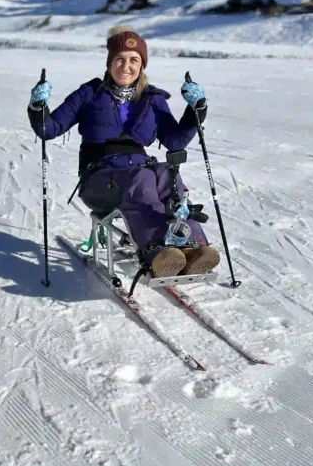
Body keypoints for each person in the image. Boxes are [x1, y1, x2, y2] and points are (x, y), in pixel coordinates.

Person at [28, 26, 220, 278]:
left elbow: (174, 141)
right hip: (99, 180)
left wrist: (196, 109)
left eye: (133, 60)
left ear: (142, 66)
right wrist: (37, 105)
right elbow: (49, 128)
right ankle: (156, 252)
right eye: (119, 59)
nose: (125, 66)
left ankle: (194, 247)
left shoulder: (152, 99)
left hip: (140, 172)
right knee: (142, 178)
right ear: (110, 63)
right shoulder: (90, 93)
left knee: (166, 173)